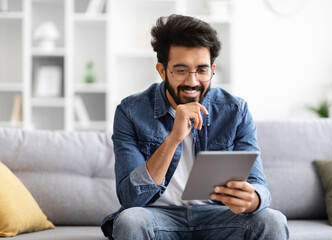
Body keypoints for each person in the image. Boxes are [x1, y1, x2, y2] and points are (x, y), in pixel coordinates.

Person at [101, 14, 289, 240]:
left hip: (218, 216)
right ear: (162, 70)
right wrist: (173, 138)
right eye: (181, 70)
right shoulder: (130, 111)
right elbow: (130, 199)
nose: (192, 81)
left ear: (212, 69)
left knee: (273, 220)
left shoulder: (235, 111)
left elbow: (259, 185)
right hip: (156, 216)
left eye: (202, 70)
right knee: (130, 221)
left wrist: (253, 199)